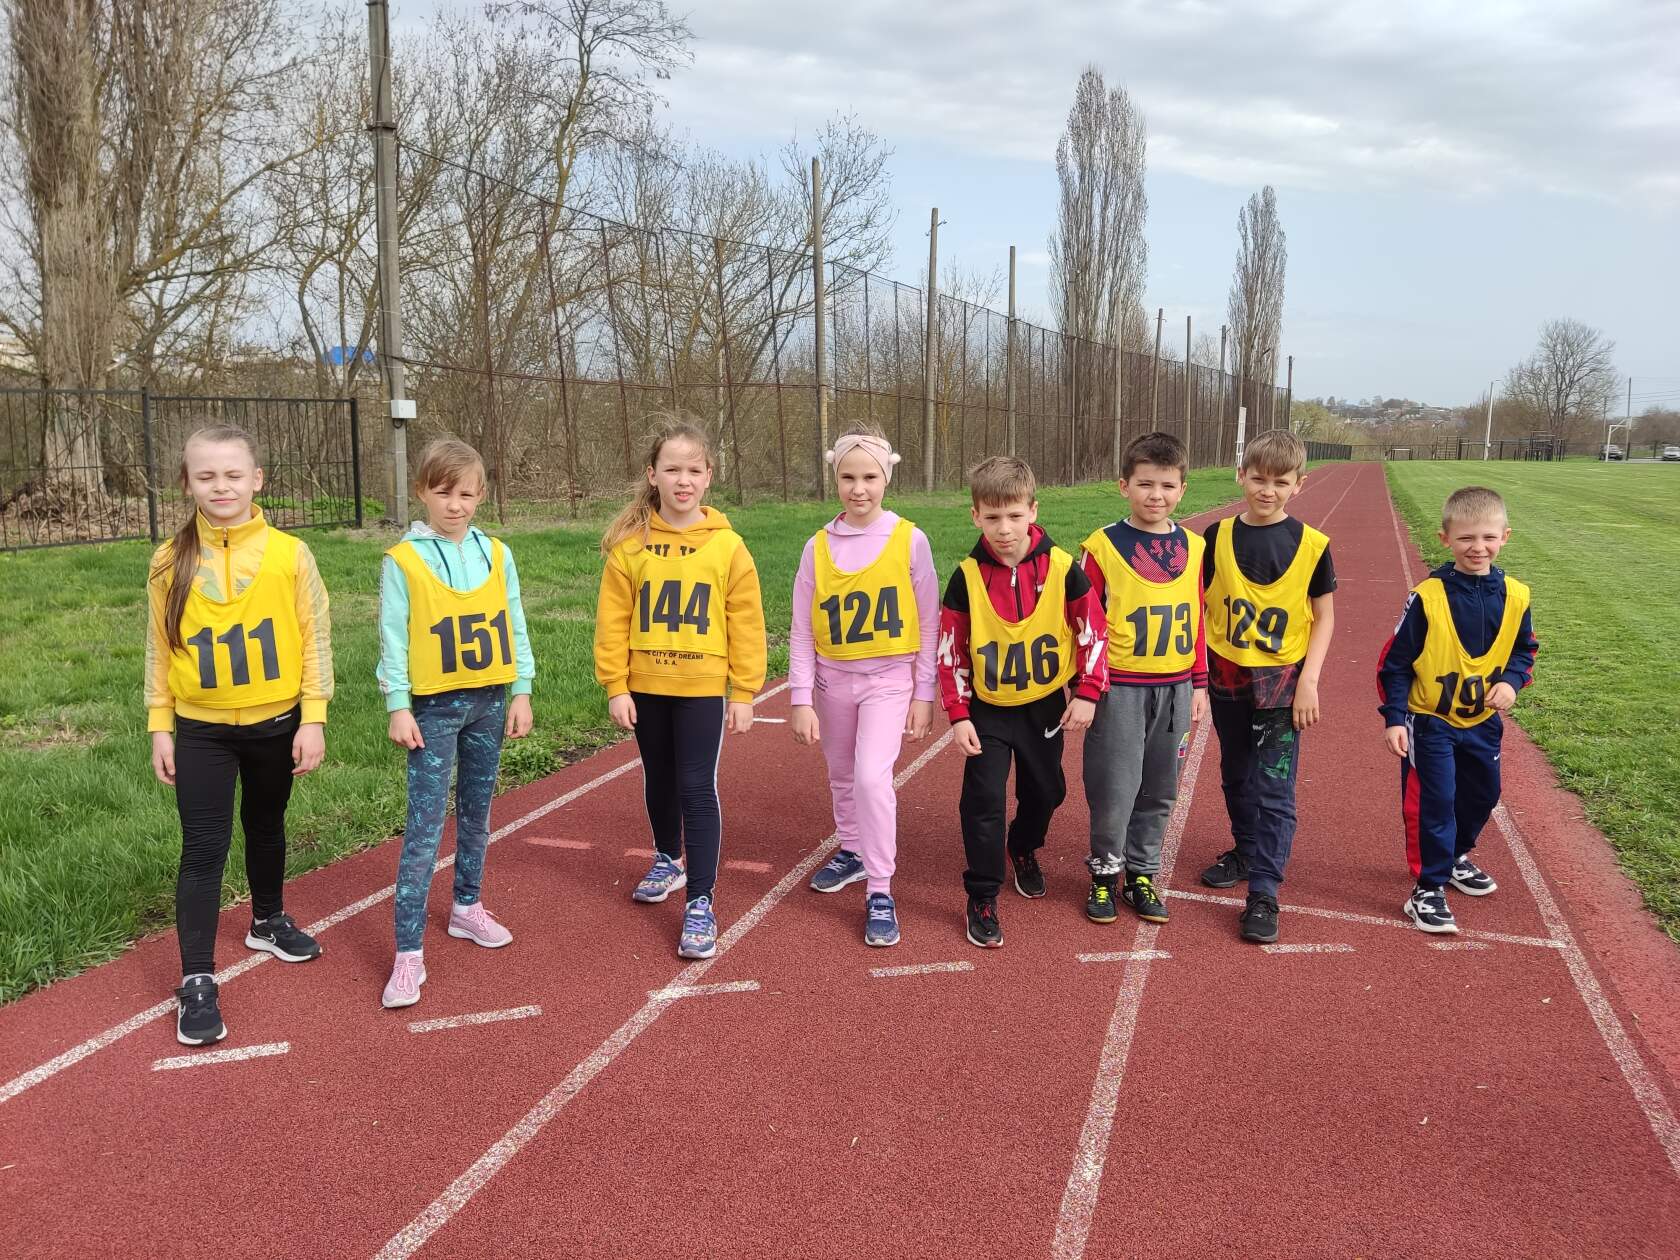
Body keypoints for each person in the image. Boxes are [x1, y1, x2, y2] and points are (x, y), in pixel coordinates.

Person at [145, 425, 333, 1045]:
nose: (220, 486)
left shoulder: (290, 554)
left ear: (257, 480)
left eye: (232, 475)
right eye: (206, 476)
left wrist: (313, 716)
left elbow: (314, 637)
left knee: (267, 824)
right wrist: (160, 726)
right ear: (187, 483)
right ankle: (197, 978)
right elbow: (158, 649)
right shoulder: (169, 560)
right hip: (201, 729)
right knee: (203, 848)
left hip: (275, 723)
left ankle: (267, 920)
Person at [594, 415, 766, 960]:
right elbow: (612, 622)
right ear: (653, 475)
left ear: (709, 475)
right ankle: (668, 858)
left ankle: (700, 900)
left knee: (696, 786)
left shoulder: (728, 547)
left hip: (700, 688)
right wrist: (615, 685)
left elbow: (746, 623)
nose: (683, 480)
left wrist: (744, 691)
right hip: (646, 686)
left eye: (693, 470)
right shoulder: (630, 548)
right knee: (659, 779)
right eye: (672, 469)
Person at [377, 438, 536, 1008]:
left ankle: (467, 906)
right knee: (424, 830)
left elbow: (514, 619)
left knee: (477, 813)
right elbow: (393, 637)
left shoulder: (497, 553)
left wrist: (522, 688)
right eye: (444, 493)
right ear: (422, 491)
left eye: (466, 494)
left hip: (490, 701)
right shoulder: (403, 560)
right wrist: (398, 704)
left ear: (481, 495)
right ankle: (408, 953)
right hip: (434, 709)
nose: (455, 505)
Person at [938, 455, 1107, 948]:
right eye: (992, 517)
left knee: (1047, 791)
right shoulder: (967, 577)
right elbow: (950, 651)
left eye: (1014, 515)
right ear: (975, 516)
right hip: (989, 710)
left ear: (1033, 510)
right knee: (983, 800)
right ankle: (982, 894)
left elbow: (1093, 631)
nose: (1004, 528)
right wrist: (958, 714)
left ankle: (1023, 846)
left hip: (1043, 707)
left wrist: (1088, 691)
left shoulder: (1063, 569)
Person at [790, 425, 938, 947]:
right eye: (848, 477)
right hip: (833, 682)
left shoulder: (910, 539)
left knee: (872, 779)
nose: (859, 489)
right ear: (835, 478)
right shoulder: (817, 546)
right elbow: (802, 629)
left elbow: (928, 622)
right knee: (841, 774)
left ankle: (880, 888)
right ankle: (852, 848)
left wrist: (924, 692)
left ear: (886, 478)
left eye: (870, 477)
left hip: (888, 682)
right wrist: (800, 698)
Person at [1377, 486, 1537, 934]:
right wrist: (1395, 718)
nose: (1477, 547)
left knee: (1484, 794)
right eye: (1466, 538)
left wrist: (1511, 681)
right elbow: (1395, 664)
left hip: (1482, 722)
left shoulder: (1517, 595)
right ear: (1445, 539)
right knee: (1436, 801)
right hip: (1431, 721)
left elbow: (1524, 650)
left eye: (1488, 537)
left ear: (1505, 537)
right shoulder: (1427, 597)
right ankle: (1427, 888)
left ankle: (1451, 857)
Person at [1197, 430, 1336, 944]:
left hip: (1282, 683)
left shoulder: (1313, 545)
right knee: (1235, 772)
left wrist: (1310, 681)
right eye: (1259, 479)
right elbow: (1194, 601)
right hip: (1228, 674)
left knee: (1274, 785)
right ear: (1241, 476)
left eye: (1280, 482)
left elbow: (1324, 617)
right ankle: (1246, 848)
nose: (1267, 490)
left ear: (1299, 484)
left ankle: (1264, 891)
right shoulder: (1216, 537)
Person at [1079, 432, 1208, 925]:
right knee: (1115, 788)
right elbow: (1086, 626)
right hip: (1120, 690)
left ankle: (1141, 873)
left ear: (1183, 489)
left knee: (1160, 787)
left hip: (1175, 689)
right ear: (1124, 486)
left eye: (1168, 486)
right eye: (1145, 484)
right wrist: (1087, 688)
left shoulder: (1194, 547)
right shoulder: (1102, 546)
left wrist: (1199, 684)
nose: (1157, 495)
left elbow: (1198, 617)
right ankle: (1104, 873)